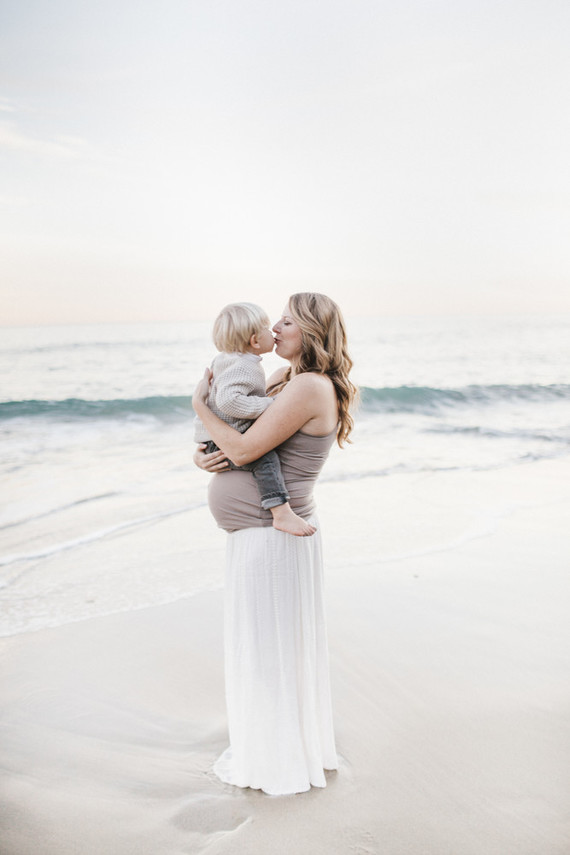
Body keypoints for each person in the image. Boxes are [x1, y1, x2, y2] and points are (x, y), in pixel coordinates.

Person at [192, 292, 357, 795]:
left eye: (286, 321)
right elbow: (234, 429)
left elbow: (243, 447)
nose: (276, 328)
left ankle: (278, 763)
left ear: (310, 331)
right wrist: (201, 455)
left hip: (273, 539)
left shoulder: (307, 386)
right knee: (267, 650)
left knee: (269, 655)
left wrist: (198, 405)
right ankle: (277, 749)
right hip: (261, 535)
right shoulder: (285, 379)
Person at [194, 301, 315, 536]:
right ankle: (280, 512)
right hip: (223, 442)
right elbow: (229, 401)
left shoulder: (227, 360)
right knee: (265, 460)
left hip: (217, 441)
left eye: (286, 322)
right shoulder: (244, 367)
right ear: (255, 341)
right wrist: (270, 404)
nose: (274, 330)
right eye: (268, 329)